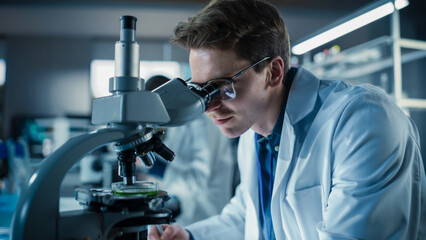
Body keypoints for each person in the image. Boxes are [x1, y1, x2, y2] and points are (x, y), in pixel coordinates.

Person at [148, 0, 426, 239]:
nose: (211, 107)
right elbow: (249, 214)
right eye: (201, 91)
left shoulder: (361, 120)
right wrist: (191, 235)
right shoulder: (253, 131)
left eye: (222, 86)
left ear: (274, 72)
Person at [143, 75, 236, 226]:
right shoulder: (176, 122)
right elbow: (178, 166)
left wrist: (155, 168)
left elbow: (197, 181)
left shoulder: (203, 124)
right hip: (186, 213)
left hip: (206, 216)